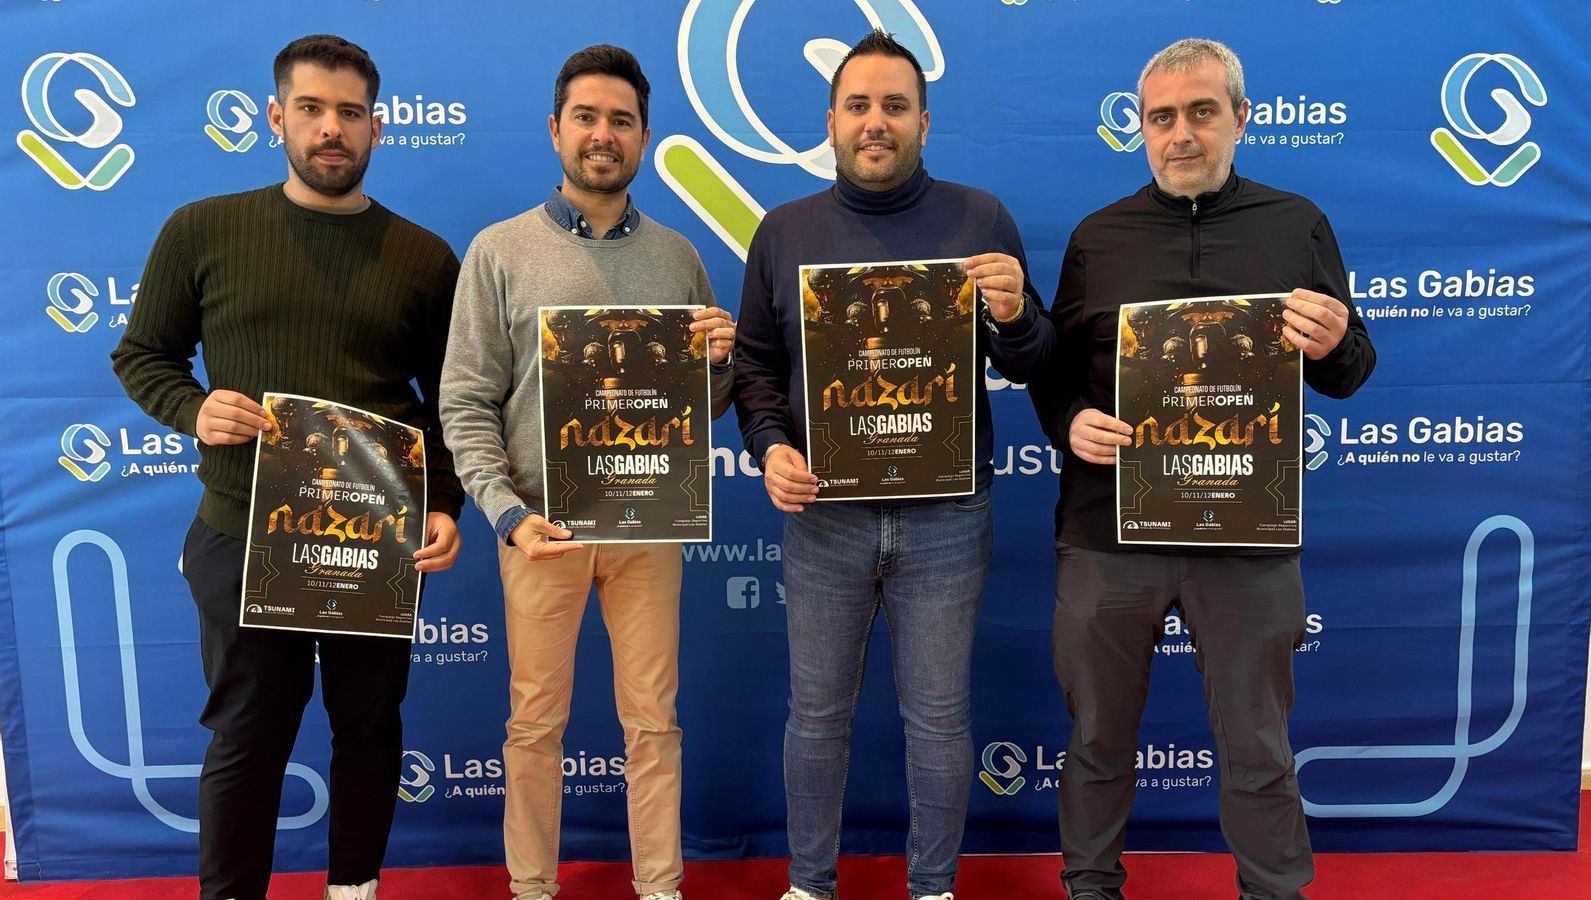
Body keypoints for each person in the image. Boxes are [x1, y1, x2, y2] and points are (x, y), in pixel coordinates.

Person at [110, 34, 464, 900]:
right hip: (241, 532)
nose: (330, 129)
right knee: (247, 734)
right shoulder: (203, 228)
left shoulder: (423, 257)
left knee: (370, 728)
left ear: (377, 126)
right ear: (276, 118)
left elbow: (456, 400)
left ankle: (355, 890)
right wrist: (194, 409)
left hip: (375, 541)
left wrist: (446, 502)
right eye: (311, 109)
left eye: (349, 112)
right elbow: (143, 355)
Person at [1027, 38, 1377, 900]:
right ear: (1141, 129)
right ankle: (1090, 886)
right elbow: (1052, 367)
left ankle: (1274, 889)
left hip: (1248, 535)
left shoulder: (1297, 223)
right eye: (1162, 117)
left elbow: (1351, 365)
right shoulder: (1097, 237)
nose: (1181, 133)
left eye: (1201, 112)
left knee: (1258, 743)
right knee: (1099, 736)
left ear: (1240, 118)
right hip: (1110, 531)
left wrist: (1335, 344)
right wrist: (1070, 420)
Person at [732, 29, 1053, 900]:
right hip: (825, 514)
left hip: (948, 516)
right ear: (830, 120)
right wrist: (772, 449)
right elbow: (754, 369)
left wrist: (1018, 312)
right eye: (860, 105)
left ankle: (935, 886)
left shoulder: (980, 217)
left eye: (896, 107)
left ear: (924, 121)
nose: (877, 122)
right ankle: (808, 884)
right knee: (816, 718)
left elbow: (1036, 359)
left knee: (941, 720)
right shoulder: (784, 230)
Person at [438, 44, 735, 900]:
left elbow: (701, 408)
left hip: (649, 526)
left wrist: (717, 362)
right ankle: (532, 888)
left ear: (644, 136)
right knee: (534, 725)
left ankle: (661, 886)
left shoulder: (678, 257)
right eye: (587, 117)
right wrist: (502, 512)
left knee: (655, 725)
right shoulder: (499, 252)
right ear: (556, 129)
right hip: (541, 528)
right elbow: (465, 402)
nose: (603, 135)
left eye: (622, 121)